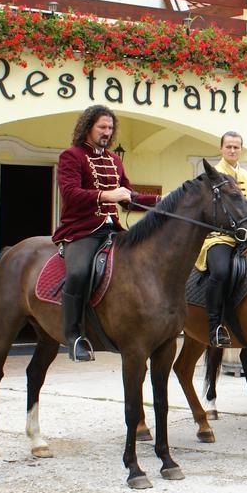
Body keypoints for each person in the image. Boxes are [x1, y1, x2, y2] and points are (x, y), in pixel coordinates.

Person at [52, 105, 159, 362]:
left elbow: (129, 198)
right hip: (81, 229)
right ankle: (74, 336)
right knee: (78, 273)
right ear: (88, 127)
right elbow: (69, 193)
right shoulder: (71, 156)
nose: (107, 132)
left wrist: (162, 201)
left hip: (113, 229)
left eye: (110, 128)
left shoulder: (114, 159)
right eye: (102, 127)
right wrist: (105, 195)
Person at [195, 131, 247, 348]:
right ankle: (214, 326)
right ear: (221, 149)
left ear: (241, 149)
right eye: (229, 147)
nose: (233, 150)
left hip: (245, 239)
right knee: (221, 272)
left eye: (236, 147)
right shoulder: (211, 176)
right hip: (218, 237)